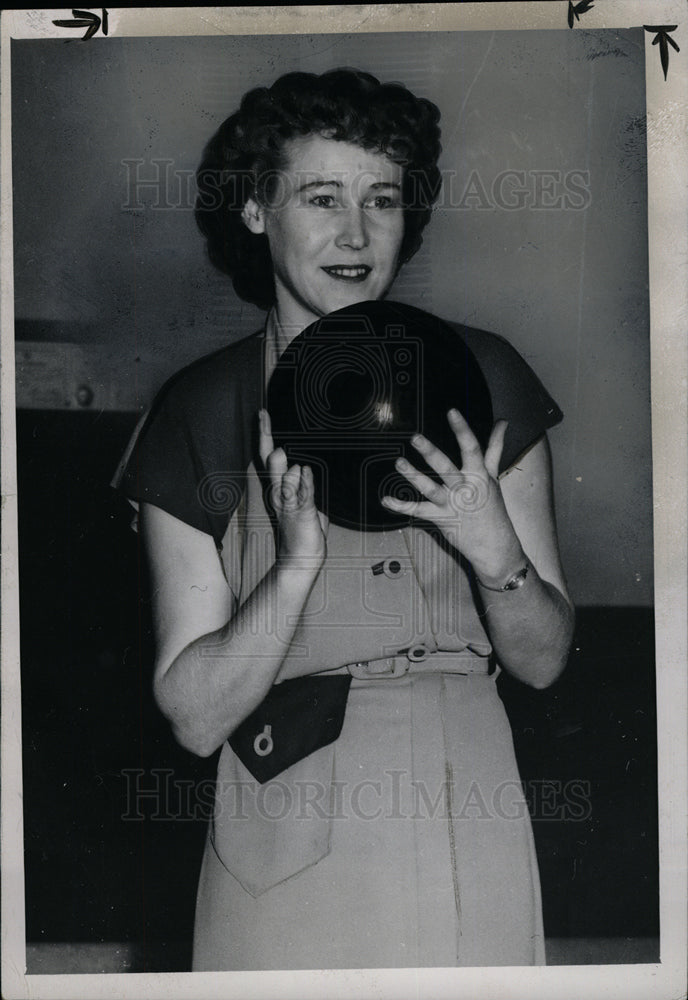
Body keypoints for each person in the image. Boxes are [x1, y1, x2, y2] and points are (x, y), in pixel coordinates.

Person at [114, 68, 574, 970]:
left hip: (466, 803)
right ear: (255, 211)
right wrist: (291, 574)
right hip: (287, 823)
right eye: (321, 197)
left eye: (384, 200)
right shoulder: (202, 410)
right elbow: (197, 716)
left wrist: (496, 556)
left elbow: (545, 660)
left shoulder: (485, 379)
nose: (357, 236)